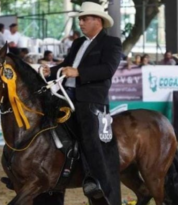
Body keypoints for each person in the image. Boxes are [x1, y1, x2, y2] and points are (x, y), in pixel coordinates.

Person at [44, 2, 122, 205]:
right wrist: (50, 71)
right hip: (65, 94)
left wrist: (79, 73)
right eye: (80, 19)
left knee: (89, 136)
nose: (81, 22)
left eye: (84, 18)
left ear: (97, 20)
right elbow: (65, 66)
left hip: (91, 99)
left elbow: (107, 69)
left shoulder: (112, 43)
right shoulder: (78, 43)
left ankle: (95, 180)